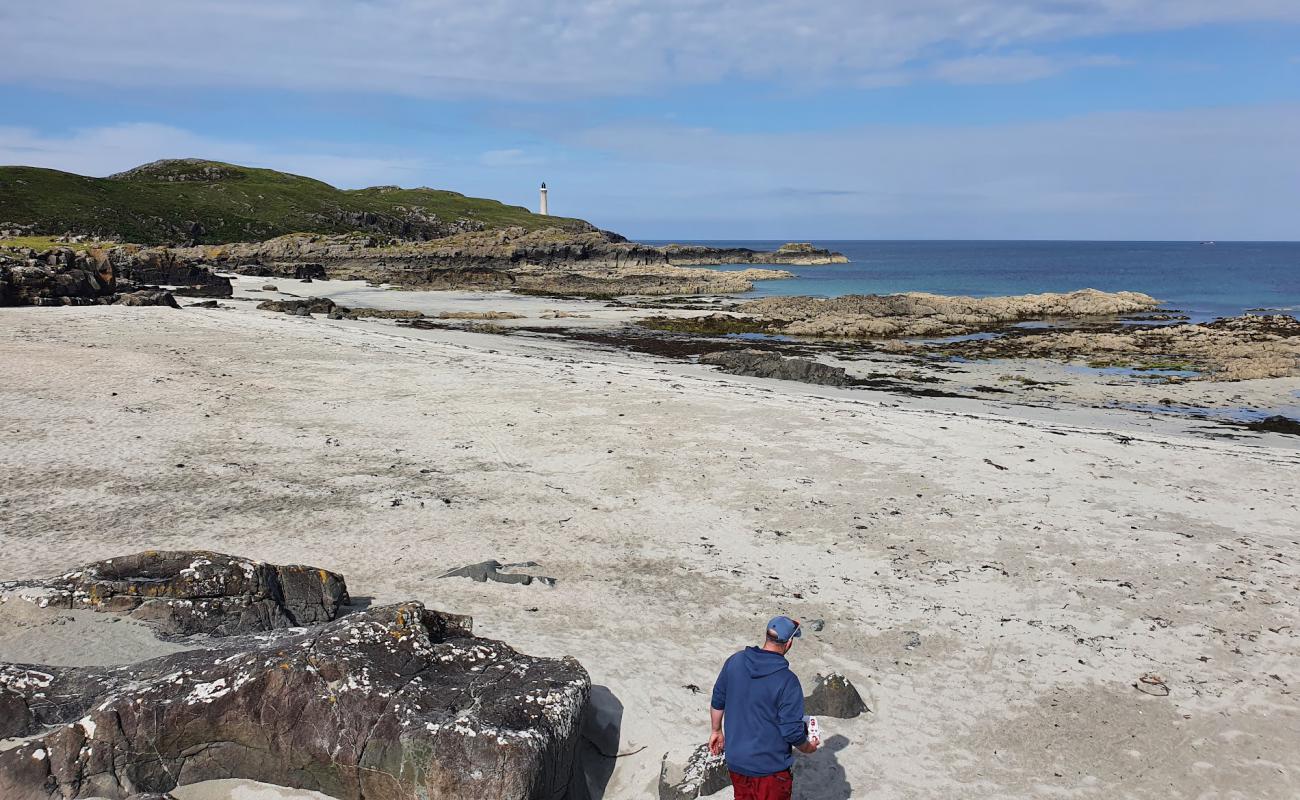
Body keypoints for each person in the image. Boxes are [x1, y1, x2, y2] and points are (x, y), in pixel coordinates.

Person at [709, 616, 819, 800]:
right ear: (789, 643)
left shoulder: (735, 661)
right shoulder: (788, 681)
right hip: (770, 769)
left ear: (767, 636)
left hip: (737, 761)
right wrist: (807, 747)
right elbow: (791, 730)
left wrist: (716, 730)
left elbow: (718, 699)